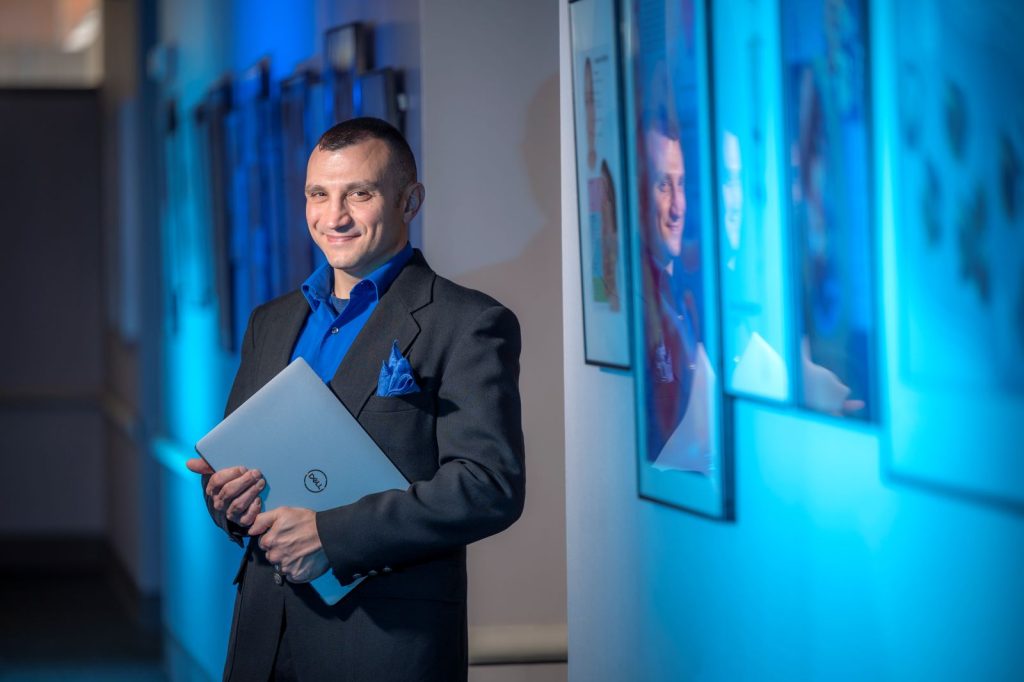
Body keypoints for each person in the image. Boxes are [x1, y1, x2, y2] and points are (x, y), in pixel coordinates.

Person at [185, 117, 525, 681]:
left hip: (384, 643)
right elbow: (238, 462)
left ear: (409, 200)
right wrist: (229, 501)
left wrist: (330, 535)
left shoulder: (467, 322)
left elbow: (488, 486)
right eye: (318, 195)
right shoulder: (271, 322)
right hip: (263, 637)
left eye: (359, 194)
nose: (333, 217)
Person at [637, 117, 711, 473]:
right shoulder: (633, 307)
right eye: (663, 186)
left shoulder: (689, 293)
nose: (678, 207)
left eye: (681, 185)